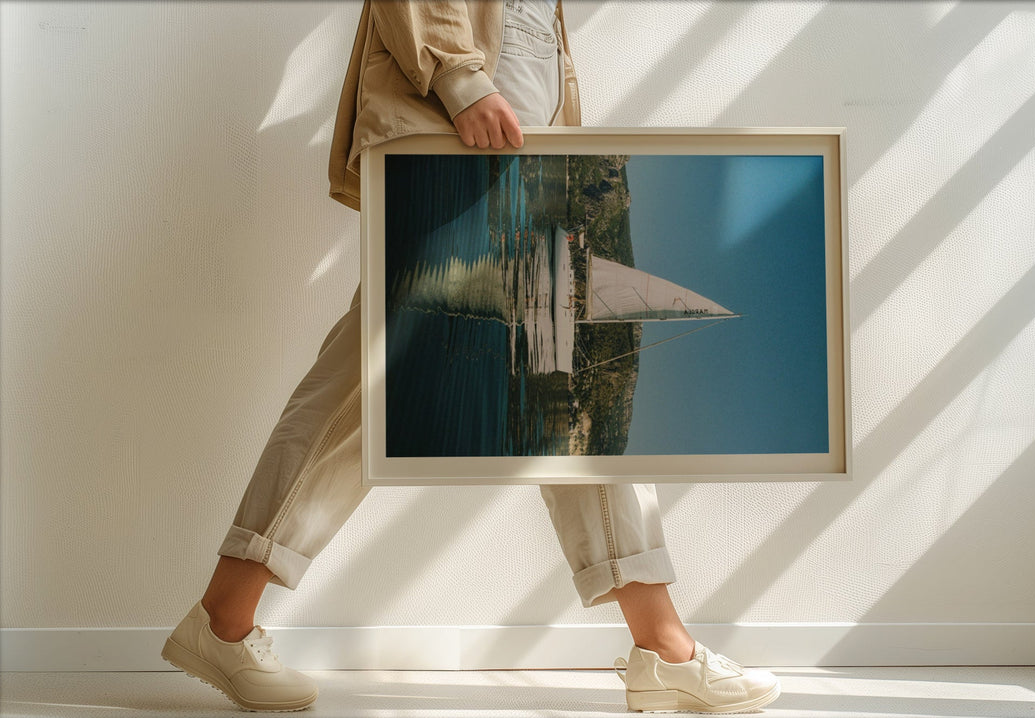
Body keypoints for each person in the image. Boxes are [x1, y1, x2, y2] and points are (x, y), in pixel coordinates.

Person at [161, 1, 781, 713]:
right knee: (484, 387)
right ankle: (664, 649)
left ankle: (224, 618)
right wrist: (463, 82)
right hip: (455, 145)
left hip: (516, 158)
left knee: (552, 387)